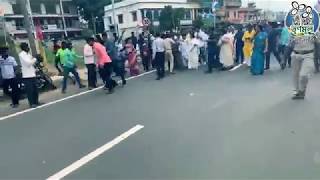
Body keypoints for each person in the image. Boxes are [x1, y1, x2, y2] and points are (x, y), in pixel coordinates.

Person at [291, 34, 317, 100]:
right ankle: (297, 92)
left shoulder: (314, 30)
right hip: (295, 54)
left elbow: (318, 42)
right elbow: (289, 44)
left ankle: (302, 89)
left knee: (303, 74)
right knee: (295, 74)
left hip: (308, 54)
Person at [19, 43, 39, 108]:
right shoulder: (22, 55)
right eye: (27, 47)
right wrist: (35, 59)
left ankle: (36, 102)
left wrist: (35, 60)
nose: (28, 48)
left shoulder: (28, 54)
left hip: (32, 74)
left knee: (35, 90)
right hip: (27, 76)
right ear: (23, 48)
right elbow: (28, 63)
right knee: (30, 91)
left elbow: (32, 62)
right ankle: (32, 103)